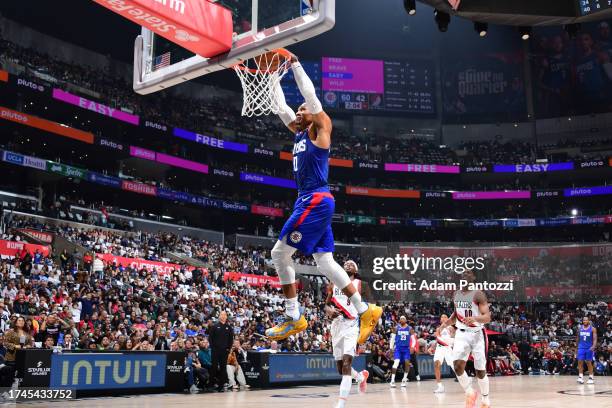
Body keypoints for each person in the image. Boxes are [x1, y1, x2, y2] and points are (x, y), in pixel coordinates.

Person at [265, 51, 382, 344]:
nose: (299, 110)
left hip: (314, 199)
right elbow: (280, 108)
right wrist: (270, 76)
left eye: (302, 109)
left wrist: (293, 65)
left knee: (279, 255)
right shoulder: (300, 133)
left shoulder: (320, 131)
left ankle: (294, 316)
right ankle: (365, 309)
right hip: (313, 201)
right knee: (324, 262)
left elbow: (311, 96)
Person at [439, 269, 492, 408]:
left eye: (468, 273)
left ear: (474, 277)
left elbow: (487, 317)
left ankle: (486, 399)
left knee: (480, 371)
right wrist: (443, 326)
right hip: (461, 333)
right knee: (457, 366)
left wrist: (475, 318)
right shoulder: (457, 294)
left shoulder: (478, 294)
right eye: (463, 273)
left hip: (477, 333)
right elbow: (455, 315)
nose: (465, 275)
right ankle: (470, 392)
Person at [325, 260, 369, 408]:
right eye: (347, 264)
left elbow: (369, 306)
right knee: (340, 369)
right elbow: (326, 304)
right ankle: (360, 376)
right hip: (336, 326)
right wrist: (329, 310)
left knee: (346, 363)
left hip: (351, 325)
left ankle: (341, 404)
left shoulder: (360, 284)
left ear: (355, 270)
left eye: (352, 264)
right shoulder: (333, 282)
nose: (349, 264)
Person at [1, 316, 32, 387]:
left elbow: (30, 344)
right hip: (11, 357)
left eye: (23, 321)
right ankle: (5, 392)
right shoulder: (11, 332)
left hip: (23, 358)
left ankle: (19, 392)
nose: (21, 322)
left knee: (21, 377)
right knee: (9, 376)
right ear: (16, 322)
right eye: (19, 320)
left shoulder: (27, 333)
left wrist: (26, 347)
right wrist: (15, 346)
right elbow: (5, 343)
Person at [209, 311, 233, 392]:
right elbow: (210, 339)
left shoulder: (229, 327)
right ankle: (211, 384)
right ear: (219, 316)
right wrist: (213, 348)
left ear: (226, 317)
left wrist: (228, 349)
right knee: (214, 367)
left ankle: (221, 385)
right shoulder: (214, 326)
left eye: (224, 315)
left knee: (223, 368)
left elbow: (231, 340)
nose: (223, 316)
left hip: (224, 351)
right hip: (215, 351)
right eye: (221, 315)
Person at [432, 314, 455, 393]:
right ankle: (440, 386)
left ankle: (465, 380)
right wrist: (432, 348)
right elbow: (437, 340)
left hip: (448, 348)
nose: (443, 318)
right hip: (439, 348)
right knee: (436, 365)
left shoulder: (451, 328)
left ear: (448, 319)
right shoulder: (438, 329)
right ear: (440, 319)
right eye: (442, 317)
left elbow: (453, 338)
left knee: (454, 367)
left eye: (445, 317)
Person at [389, 315, 413, 388]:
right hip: (398, 349)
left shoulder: (410, 328)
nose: (401, 320)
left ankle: (404, 379)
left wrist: (412, 346)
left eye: (403, 318)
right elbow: (392, 338)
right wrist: (391, 348)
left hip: (406, 349)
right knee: (396, 363)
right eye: (400, 319)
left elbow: (413, 338)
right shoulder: (396, 328)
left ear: (406, 320)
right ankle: (392, 380)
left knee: (407, 363)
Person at [576, 316, 597, 384]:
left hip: (589, 348)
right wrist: (577, 347)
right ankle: (580, 377)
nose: (585, 321)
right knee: (580, 361)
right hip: (581, 347)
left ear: (588, 321)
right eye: (583, 320)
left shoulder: (593, 329)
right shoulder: (580, 328)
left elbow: (595, 339)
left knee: (588, 362)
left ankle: (591, 377)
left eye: (586, 320)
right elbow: (578, 338)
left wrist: (593, 346)